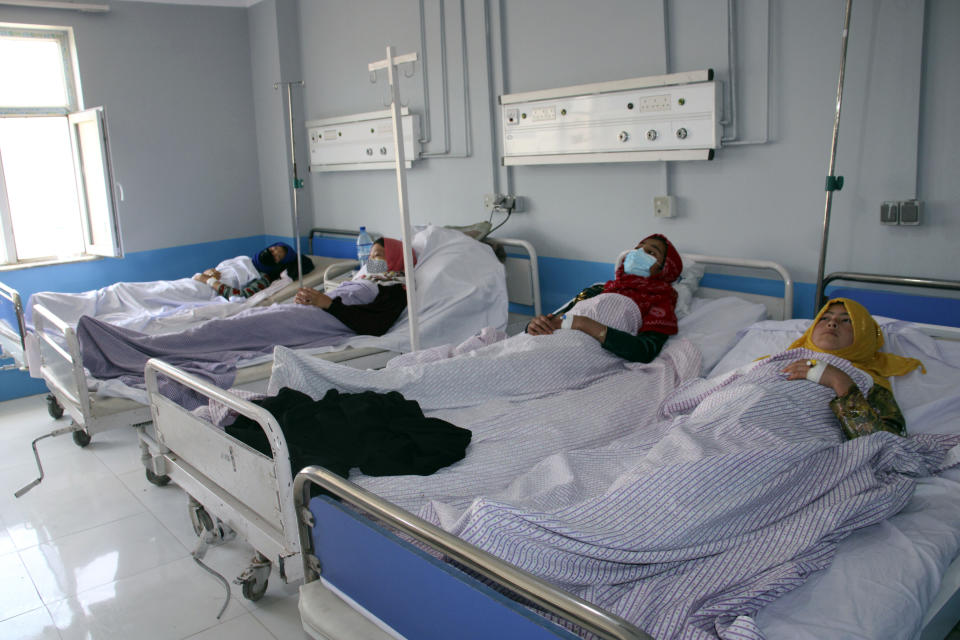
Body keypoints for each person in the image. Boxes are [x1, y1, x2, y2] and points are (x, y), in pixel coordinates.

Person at [780, 297, 924, 439]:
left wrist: (840, 383)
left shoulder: (868, 382)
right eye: (824, 318)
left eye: (846, 320)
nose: (832, 323)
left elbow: (883, 442)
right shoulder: (777, 360)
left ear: (864, 336)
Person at [525, 233, 683, 363]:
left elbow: (644, 351)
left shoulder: (659, 303)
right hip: (548, 341)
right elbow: (563, 317)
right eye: (638, 248)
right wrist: (535, 325)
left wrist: (584, 324)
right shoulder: (599, 289)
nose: (638, 253)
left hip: (578, 355)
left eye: (651, 252)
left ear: (664, 269)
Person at [294, 236, 411, 337]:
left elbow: (376, 324)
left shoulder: (396, 287)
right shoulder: (370, 278)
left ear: (395, 257)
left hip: (327, 315)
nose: (370, 262)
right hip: (315, 310)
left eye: (376, 255)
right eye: (370, 257)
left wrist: (329, 304)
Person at [193, 242, 314, 299]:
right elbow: (218, 271)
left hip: (206, 291)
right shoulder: (244, 259)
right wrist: (209, 272)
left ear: (279, 264)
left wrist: (209, 280)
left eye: (278, 256)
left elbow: (240, 295)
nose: (273, 253)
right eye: (274, 249)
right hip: (195, 281)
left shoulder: (263, 278)